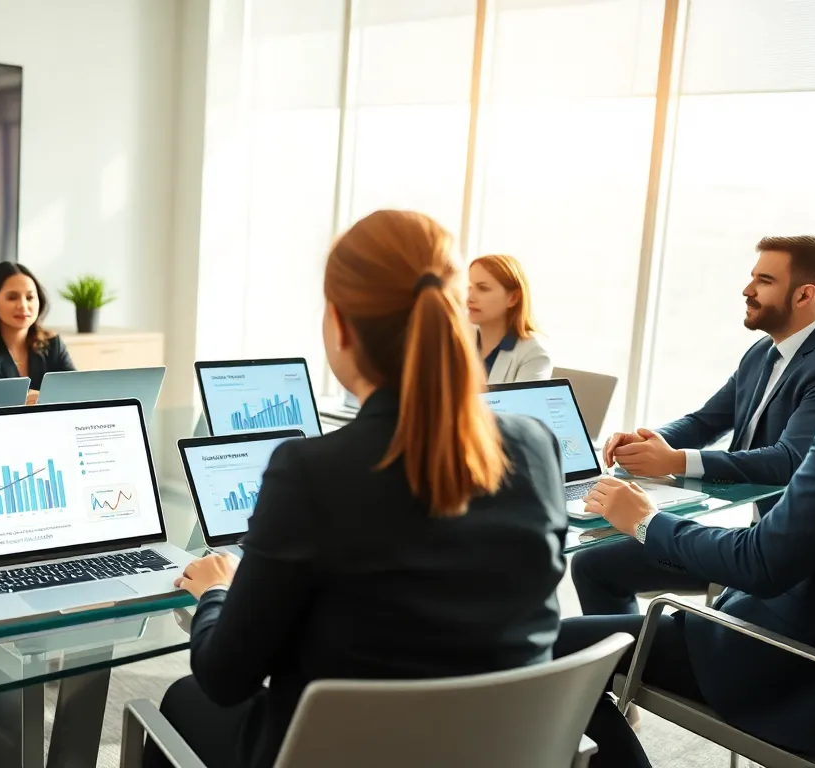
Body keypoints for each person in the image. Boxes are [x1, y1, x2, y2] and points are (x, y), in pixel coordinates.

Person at [560, 152, 815, 767]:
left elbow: (766, 561)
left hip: (796, 665)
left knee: (546, 654)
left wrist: (642, 520)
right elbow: (708, 423)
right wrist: (657, 452)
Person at [145, 210, 569, 768]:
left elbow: (228, 678)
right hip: (497, 750)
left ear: (340, 325)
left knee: (181, 699)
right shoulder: (535, 445)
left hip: (335, 753)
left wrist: (216, 593)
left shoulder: (309, 471)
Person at [573, 236, 815, 616]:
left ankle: (628, 660)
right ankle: (621, 662)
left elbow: (789, 460)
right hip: (748, 538)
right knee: (593, 563)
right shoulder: (763, 352)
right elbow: (706, 421)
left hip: (772, 554)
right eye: (752, 277)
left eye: (765, 281)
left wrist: (675, 461)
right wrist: (648, 443)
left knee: (600, 562)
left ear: (803, 295)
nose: (747, 290)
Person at [0, 261, 75, 400]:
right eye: (12, 297)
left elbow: (74, 393)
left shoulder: (53, 345)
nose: (23, 305)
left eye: (30, 297)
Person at [467, 253, 552, 383]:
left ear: (513, 298)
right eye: (469, 288)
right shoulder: (458, 343)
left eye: (483, 288)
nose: (470, 298)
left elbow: (522, 403)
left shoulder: (534, 353)